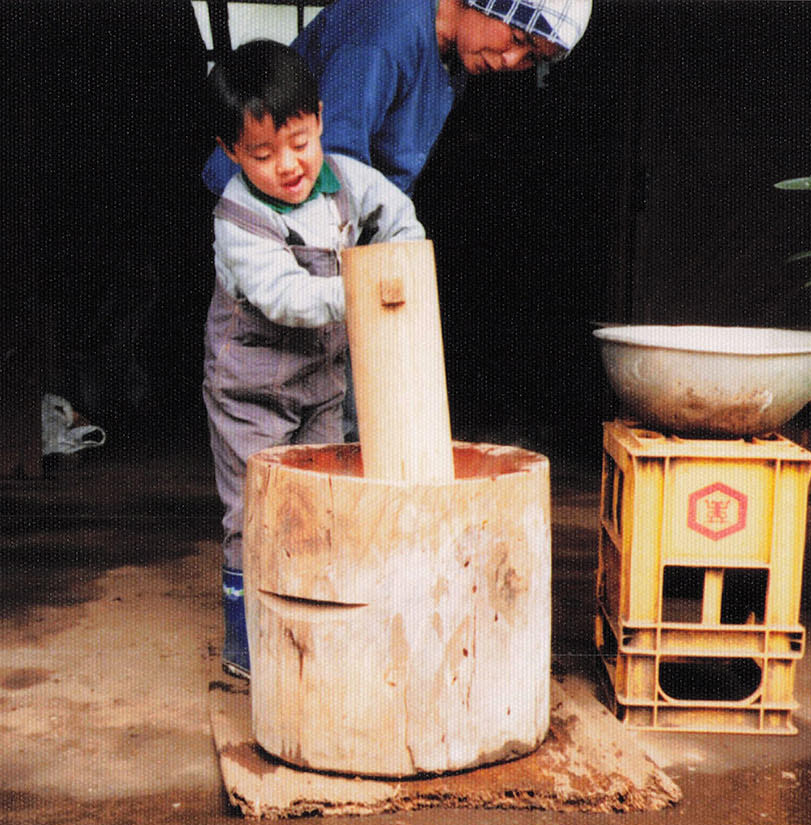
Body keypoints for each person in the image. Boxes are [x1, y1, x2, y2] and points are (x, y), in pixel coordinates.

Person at [203, 40, 427, 679]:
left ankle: (316, 630)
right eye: (262, 155)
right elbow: (290, 299)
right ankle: (248, 647)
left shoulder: (349, 181)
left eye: (299, 141)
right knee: (258, 512)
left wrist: (403, 261)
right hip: (251, 391)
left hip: (323, 384)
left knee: (327, 501)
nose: (289, 165)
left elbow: (401, 220)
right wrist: (368, 288)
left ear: (320, 118)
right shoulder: (240, 218)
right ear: (230, 153)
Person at [201, 0, 594, 198]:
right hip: (258, 208)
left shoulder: (452, 58)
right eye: (518, 39)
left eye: (531, 59)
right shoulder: (388, 33)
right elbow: (336, 156)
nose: (512, 60)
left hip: (331, 214)